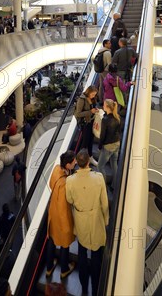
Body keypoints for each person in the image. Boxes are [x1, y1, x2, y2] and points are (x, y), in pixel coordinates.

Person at [66, 149, 109, 296]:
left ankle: (84, 287)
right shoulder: (99, 178)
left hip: (80, 221)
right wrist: (106, 219)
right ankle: (96, 287)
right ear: (89, 162)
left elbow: (69, 200)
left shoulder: (70, 181)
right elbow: (104, 203)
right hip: (96, 219)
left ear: (77, 162)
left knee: (82, 254)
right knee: (96, 257)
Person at [46, 150, 76, 279]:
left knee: (52, 239)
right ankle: (64, 269)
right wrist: (67, 228)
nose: (75, 162)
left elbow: (50, 184)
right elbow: (64, 208)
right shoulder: (65, 184)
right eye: (73, 161)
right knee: (65, 243)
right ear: (68, 165)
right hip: (61, 215)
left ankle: (49, 268)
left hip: (52, 212)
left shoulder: (57, 169)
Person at [97, 99, 121, 191]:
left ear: (107, 107)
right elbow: (118, 132)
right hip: (117, 143)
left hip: (108, 146)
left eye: (104, 105)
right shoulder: (117, 117)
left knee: (100, 166)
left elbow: (102, 135)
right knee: (114, 163)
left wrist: (99, 146)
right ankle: (115, 185)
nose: (103, 106)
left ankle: (103, 187)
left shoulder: (105, 120)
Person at [74, 86, 99, 166]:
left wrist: (95, 110)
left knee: (91, 140)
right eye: (92, 94)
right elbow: (77, 114)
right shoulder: (82, 100)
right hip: (85, 124)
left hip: (92, 121)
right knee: (85, 142)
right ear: (88, 92)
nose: (93, 96)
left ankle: (90, 157)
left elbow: (92, 108)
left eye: (95, 94)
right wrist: (90, 111)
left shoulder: (92, 98)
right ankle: (81, 160)